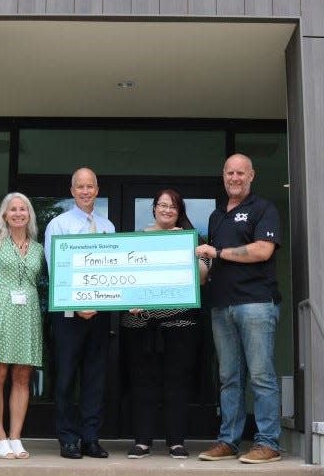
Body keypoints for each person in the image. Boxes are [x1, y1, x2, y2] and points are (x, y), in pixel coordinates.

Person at [195, 154, 282, 464]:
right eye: (230, 172)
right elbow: (210, 261)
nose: (234, 177)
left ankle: (268, 443)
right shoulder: (216, 216)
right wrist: (199, 269)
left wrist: (216, 251)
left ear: (251, 176)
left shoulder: (264, 209)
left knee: (261, 375)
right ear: (223, 175)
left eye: (240, 173)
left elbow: (262, 250)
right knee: (229, 377)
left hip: (256, 303)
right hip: (221, 306)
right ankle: (229, 440)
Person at [122, 189, 208, 460]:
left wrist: (192, 253)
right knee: (142, 383)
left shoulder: (191, 239)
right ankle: (142, 441)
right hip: (139, 324)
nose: (167, 210)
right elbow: (122, 278)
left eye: (173, 206)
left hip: (179, 324)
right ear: (154, 208)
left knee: (177, 383)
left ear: (179, 211)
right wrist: (127, 300)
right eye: (162, 205)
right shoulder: (136, 239)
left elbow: (203, 278)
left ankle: (176, 442)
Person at [44, 167, 115, 459]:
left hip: (99, 314)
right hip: (68, 315)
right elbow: (55, 268)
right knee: (66, 378)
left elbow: (112, 271)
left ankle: (90, 437)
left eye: (90, 186)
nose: (86, 191)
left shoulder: (108, 226)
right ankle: (68, 438)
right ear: (72, 191)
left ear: (97, 190)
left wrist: (98, 303)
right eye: (80, 187)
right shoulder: (58, 225)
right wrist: (76, 304)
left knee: (95, 378)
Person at [0, 193, 44, 459]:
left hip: (28, 314)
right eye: (13, 209)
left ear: (29, 215)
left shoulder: (38, 249)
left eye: (23, 209)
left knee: (22, 376)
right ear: (5, 216)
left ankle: (16, 437)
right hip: (2, 312)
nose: (18, 213)